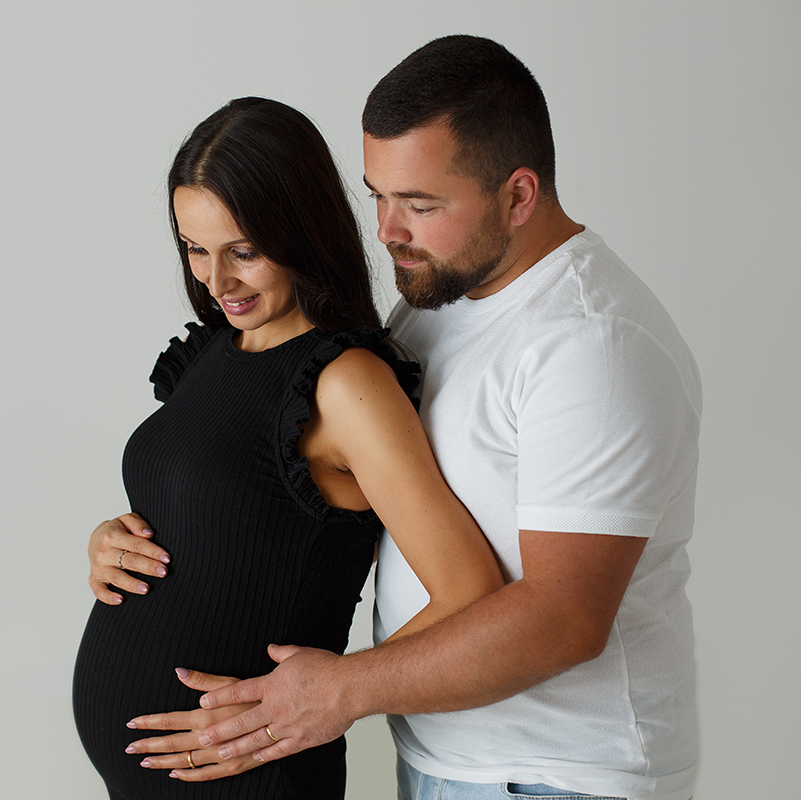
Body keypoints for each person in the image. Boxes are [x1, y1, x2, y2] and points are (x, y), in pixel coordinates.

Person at [109, 37, 701, 800]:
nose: (388, 230)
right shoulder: (440, 297)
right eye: (378, 196)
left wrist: (341, 691)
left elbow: (564, 619)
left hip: (558, 773)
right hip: (447, 752)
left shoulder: (594, 345)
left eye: (419, 205)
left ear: (519, 196)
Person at [73, 96, 503, 800]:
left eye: (245, 252)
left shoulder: (345, 383)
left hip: (250, 779)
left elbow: (470, 588)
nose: (217, 282)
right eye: (195, 249)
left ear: (301, 231)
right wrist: (109, 541)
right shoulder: (220, 345)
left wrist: (334, 694)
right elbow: (218, 516)